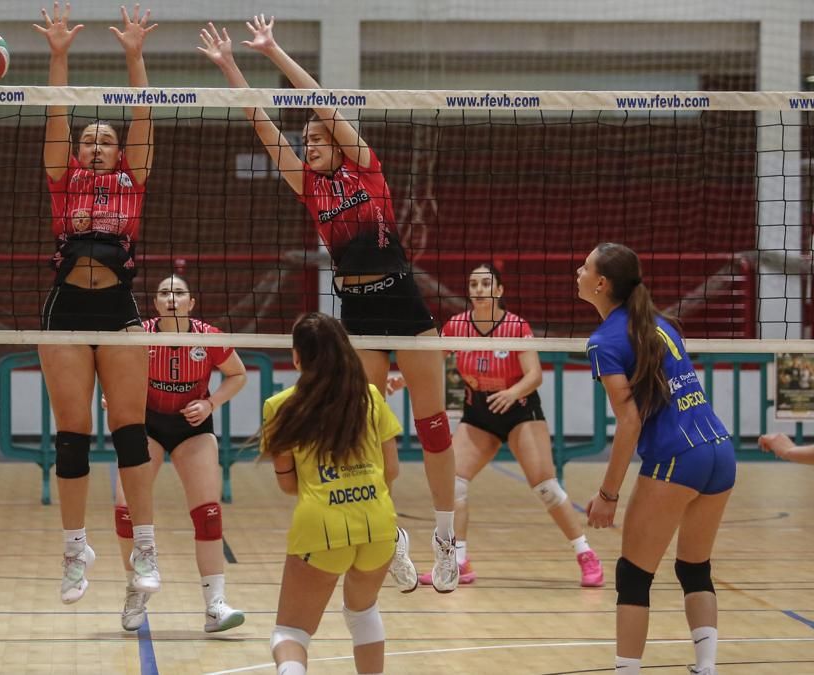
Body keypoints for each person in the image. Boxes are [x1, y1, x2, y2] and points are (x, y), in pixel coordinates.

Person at [199, 17, 455, 593]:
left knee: (434, 426)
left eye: (318, 139)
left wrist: (275, 50)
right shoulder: (308, 187)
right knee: (365, 429)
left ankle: (446, 538)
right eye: (307, 141)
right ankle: (393, 536)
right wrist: (231, 67)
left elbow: (322, 101)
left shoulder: (365, 168)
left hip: (403, 302)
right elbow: (261, 124)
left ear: (338, 142)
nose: (310, 146)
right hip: (357, 315)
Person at [35, 2, 161, 605]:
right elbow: (56, 114)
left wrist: (134, 56)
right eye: (89, 138)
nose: (95, 144)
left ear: (118, 153)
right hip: (65, 310)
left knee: (130, 432)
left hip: (119, 311)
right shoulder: (62, 178)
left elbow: (143, 116)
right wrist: (59, 55)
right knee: (72, 435)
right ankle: (73, 548)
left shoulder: (132, 180)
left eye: (104, 140)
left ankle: (145, 545)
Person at [390, 264, 604, 587]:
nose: (478, 289)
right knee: (455, 483)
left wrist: (511, 392)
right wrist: (402, 379)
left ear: (500, 291)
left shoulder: (517, 327)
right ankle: (459, 561)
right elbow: (432, 363)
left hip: (519, 411)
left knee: (546, 487)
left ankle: (585, 553)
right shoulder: (457, 326)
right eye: (473, 283)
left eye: (485, 284)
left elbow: (533, 375)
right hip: (479, 412)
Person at [579, 243, 734, 675]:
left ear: (602, 283)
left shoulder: (603, 341)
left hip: (678, 457)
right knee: (694, 566)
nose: (578, 270)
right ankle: (706, 668)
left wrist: (608, 494)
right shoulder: (660, 323)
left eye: (585, 266)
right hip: (719, 449)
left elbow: (629, 423)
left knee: (633, 576)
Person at [260, 312, 401, 675]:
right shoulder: (370, 397)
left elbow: (288, 484)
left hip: (321, 528)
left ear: (296, 358)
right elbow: (392, 471)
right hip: (379, 523)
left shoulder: (280, 406)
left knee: (289, 633)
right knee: (363, 613)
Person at [112, 274, 248, 633]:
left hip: (192, 429)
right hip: (148, 425)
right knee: (125, 511)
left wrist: (209, 403)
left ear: (191, 302)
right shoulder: (138, 334)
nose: (171, 297)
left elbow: (238, 375)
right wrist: (118, 395)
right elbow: (111, 372)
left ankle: (215, 605)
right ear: (155, 303)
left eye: (179, 292)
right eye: (164, 292)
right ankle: (135, 591)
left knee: (209, 514)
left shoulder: (209, 337)